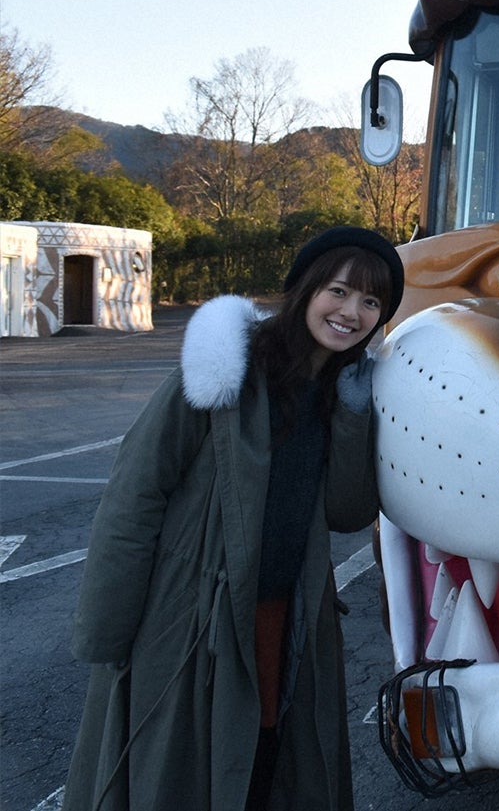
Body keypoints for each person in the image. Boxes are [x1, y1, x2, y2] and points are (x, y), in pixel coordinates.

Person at [64, 226, 405, 811]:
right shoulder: (224, 367)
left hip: (282, 612)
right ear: (304, 289)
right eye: (340, 291)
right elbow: (135, 493)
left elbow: (347, 513)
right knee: (179, 774)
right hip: (191, 612)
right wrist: (110, 627)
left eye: (371, 302)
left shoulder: (341, 389)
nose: (352, 312)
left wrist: (353, 413)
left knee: (264, 768)